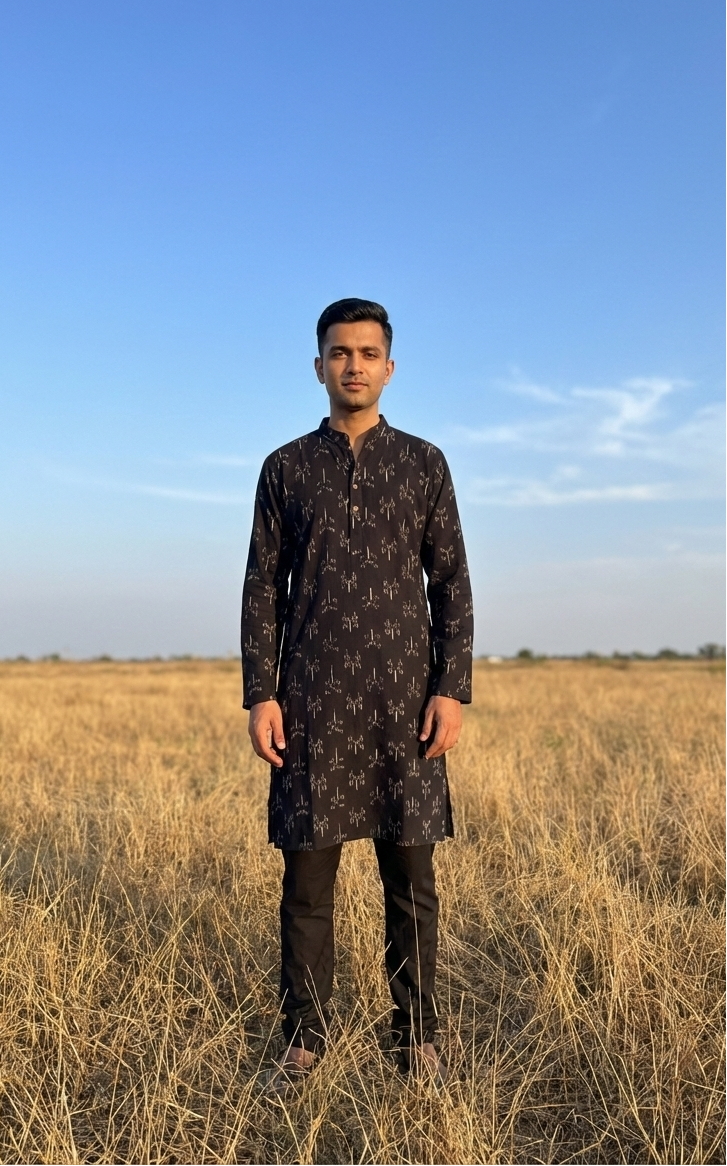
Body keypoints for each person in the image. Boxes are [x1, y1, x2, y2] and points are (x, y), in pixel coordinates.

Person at [240, 298, 473, 1091]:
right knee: (307, 886)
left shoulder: (424, 463)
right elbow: (261, 590)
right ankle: (303, 1039)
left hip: (403, 706)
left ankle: (417, 1039)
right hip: (309, 705)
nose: (353, 365)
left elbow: (451, 585)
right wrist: (259, 694)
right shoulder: (284, 468)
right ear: (318, 366)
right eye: (339, 353)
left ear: (388, 367)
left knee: (411, 885)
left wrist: (452, 690)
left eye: (368, 353)